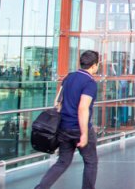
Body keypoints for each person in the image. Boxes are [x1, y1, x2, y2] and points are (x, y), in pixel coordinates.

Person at [35, 50, 100, 189]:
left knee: (63, 162)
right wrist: (84, 134)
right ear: (94, 65)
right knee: (91, 161)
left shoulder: (69, 77)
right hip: (79, 128)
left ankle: (41, 187)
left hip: (64, 127)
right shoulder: (90, 83)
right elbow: (83, 108)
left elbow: (57, 102)